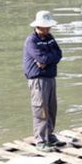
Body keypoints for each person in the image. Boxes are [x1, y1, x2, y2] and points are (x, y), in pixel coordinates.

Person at [23, 10, 66, 152]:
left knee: (51, 107)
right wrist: (49, 59)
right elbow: (43, 59)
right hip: (38, 80)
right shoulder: (32, 40)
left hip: (50, 77)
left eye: (49, 27)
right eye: (45, 27)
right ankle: (41, 140)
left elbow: (58, 54)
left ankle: (50, 135)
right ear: (38, 26)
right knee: (40, 109)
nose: (48, 29)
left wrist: (49, 60)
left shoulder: (50, 37)